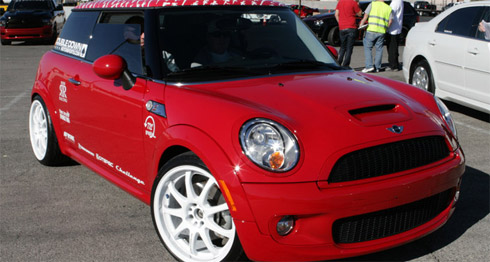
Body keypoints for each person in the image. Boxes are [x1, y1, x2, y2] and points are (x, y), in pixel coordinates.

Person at [359, 0, 393, 73]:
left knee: (368, 48)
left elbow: (365, 16)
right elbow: (390, 21)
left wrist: (361, 25)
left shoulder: (372, 4)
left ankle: (369, 66)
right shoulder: (388, 7)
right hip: (381, 31)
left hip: (371, 30)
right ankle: (377, 67)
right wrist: (385, 28)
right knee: (379, 49)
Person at [334, 0, 362, 67]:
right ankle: (346, 65)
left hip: (342, 27)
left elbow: (336, 14)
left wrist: (340, 23)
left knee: (343, 46)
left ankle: (338, 62)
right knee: (349, 47)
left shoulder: (340, 2)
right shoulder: (353, 2)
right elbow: (360, 13)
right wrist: (358, 5)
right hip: (351, 26)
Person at [386, 0, 403, 71]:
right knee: (395, 47)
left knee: (391, 48)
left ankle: (393, 65)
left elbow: (390, 14)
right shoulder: (400, 1)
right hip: (397, 28)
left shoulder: (395, 3)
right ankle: (395, 63)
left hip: (392, 29)